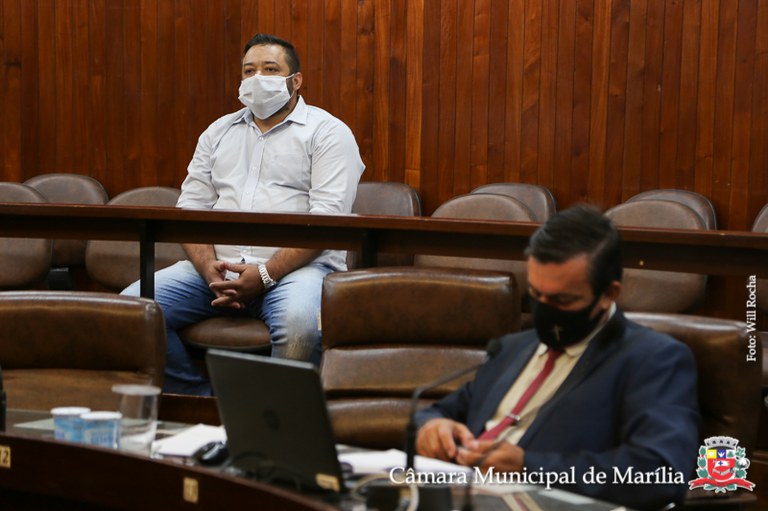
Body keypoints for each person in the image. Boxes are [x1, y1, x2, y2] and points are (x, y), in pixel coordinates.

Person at [122, 33, 365, 395]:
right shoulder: (218, 131)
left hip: (299, 271)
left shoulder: (328, 133)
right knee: (128, 312)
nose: (257, 78)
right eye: (249, 71)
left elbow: (328, 221)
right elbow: (190, 210)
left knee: (300, 329)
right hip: (216, 270)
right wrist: (208, 269)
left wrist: (264, 275)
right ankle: (203, 405)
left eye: (270, 69)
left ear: (296, 80)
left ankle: (274, 420)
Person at [415, 205, 699, 510]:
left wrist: (530, 466)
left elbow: (660, 473)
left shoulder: (653, 359)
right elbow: (437, 413)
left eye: (562, 300)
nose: (545, 310)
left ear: (609, 294)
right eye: (537, 295)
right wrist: (431, 428)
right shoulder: (512, 348)